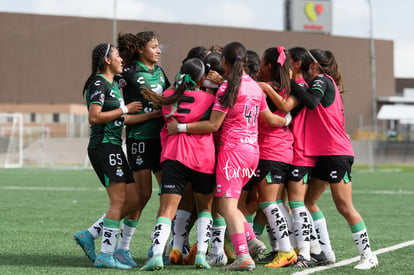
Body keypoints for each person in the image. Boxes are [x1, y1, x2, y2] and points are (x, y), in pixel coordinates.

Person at [166, 42, 290, 271]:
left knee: (226, 206)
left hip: (232, 153)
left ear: (224, 62)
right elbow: (268, 118)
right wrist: (287, 120)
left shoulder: (226, 89)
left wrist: (181, 128)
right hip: (252, 153)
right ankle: (250, 240)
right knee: (228, 204)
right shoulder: (254, 87)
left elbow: (213, 125)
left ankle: (244, 254)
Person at [293, 49, 378, 270]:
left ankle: (368, 255)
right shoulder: (323, 80)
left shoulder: (321, 78)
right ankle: (324, 252)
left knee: (344, 206)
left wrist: (293, 83)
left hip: (337, 154)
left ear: (314, 66)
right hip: (325, 153)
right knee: (308, 202)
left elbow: (312, 102)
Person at [139, 58, 216, 271]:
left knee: (167, 209)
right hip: (203, 158)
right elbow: (212, 125)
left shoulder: (167, 97)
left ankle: (156, 255)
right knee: (204, 209)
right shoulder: (210, 99)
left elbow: (175, 95)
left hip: (174, 156)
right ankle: (201, 254)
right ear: (202, 78)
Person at [259, 46, 331, 267]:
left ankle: (305, 253)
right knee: (285, 202)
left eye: (288, 60)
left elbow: (283, 107)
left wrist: (265, 89)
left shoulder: (299, 86)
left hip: (294, 150)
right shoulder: (292, 86)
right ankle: (307, 249)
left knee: (294, 203)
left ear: (297, 64)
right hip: (290, 149)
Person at [74, 43, 143, 269]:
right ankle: (106, 255)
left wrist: (154, 114)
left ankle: (90, 234)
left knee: (134, 200)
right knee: (120, 201)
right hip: (104, 146)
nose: (121, 59)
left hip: (115, 146)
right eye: (117, 55)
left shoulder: (113, 85)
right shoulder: (98, 83)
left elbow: (122, 118)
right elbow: (95, 117)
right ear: (107, 60)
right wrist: (125, 109)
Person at [243, 46, 297, 268]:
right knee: (272, 202)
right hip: (284, 150)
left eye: (263, 63)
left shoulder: (265, 89)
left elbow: (269, 118)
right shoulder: (286, 88)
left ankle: (286, 251)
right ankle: (283, 248)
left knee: (267, 202)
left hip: (270, 150)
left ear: (268, 66)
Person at [117, 31, 171, 253]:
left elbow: (169, 98)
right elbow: (120, 114)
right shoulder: (127, 74)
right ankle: (122, 245)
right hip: (139, 139)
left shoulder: (159, 73)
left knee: (170, 193)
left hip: (161, 140)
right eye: (154, 46)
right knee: (143, 194)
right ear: (141, 49)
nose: (158, 50)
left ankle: (158, 244)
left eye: (159, 47)